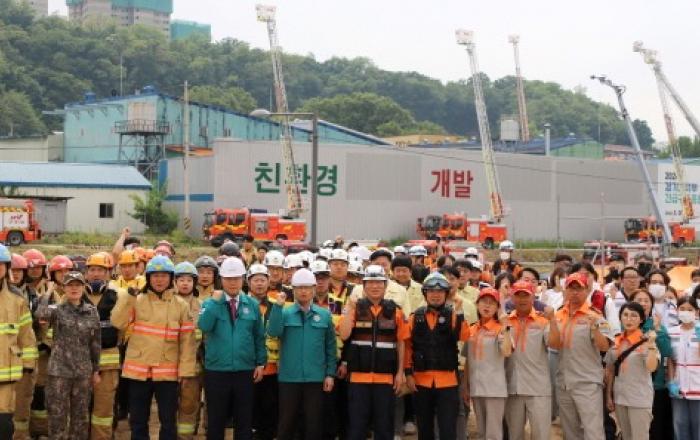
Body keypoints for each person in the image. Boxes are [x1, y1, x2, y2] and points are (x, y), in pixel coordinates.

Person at [111, 255, 197, 440]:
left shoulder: (181, 305)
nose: (159, 280)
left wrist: (185, 371)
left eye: (164, 276)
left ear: (171, 278)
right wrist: (128, 298)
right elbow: (118, 323)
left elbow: (187, 342)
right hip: (138, 371)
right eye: (155, 276)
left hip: (167, 373)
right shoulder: (136, 300)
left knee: (168, 420)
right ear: (148, 278)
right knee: (138, 420)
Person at [198, 257, 266, 440]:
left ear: (243, 279)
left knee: (244, 419)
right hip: (217, 370)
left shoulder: (252, 304)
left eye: (236, 278)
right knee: (216, 419)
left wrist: (260, 363)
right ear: (221, 279)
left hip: (245, 370)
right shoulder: (210, 303)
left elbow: (259, 336)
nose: (233, 282)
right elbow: (204, 326)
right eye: (228, 278)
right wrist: (214, 303)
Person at [339, 265, 408, 440]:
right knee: (356, 428)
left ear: (385, 285)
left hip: (385, 379)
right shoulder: (355, 308)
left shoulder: (396, 311)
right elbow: (344, 334)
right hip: (358, 379)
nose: (375, 286)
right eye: (370, 282)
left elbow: (401, 343)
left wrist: (400, 373)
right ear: (364, 286)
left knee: (384, 427)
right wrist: (349, 308)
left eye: (379, 282)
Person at [268, 269, 337, 440]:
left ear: (314, 289)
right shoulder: (284, 312)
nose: (303, 291)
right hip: (289, 378)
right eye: (299, 288)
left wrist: (330, 374)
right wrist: (277, 307)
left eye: (307, 287)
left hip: (315, 378)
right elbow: (273, 331)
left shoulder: (324, 315)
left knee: (313, 424)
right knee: (286, 423)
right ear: (293, 290)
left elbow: (330, 346)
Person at [36, 271, 101, 440]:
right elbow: (40, 314)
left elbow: (95, 343)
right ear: (64, 288)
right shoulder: (56, 310)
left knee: (80, 416)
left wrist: (96, 370)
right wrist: (49, 292)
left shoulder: (92, 312)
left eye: (78, 285)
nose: (74, 289)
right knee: (57, 415)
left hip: (82, 373)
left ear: (83, 287)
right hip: (59, 372)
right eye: (70, 285)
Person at [404, 273, 468, 440]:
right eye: (431, 291)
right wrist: (408, 374)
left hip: (448, 381)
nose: (436, 295)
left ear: (446, 294)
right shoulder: (414, 317)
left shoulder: (453, 315)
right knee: (424, 428)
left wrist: (459, 310)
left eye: (440, 291)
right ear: (425, 293)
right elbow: (408, 347)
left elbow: (464, 336)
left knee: (448, 428)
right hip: (421, 381)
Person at [551, 272, 613, 440]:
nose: (575, 292)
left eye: (579, 288)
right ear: (565, 290)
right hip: (564, 382)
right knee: (570, 432)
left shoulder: (596, 315)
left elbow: (605, 346)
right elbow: (553, 345)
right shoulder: (558, 315)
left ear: (587, 290)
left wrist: (595, 328)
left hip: (587, 383)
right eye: (571, 288)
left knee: (593, 431)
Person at [505, 281, 555, 440]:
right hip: (512, 387)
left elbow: (554, 344)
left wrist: (553, 320)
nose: (522, 299)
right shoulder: (505, 321)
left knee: (541, 435)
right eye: (518, 295)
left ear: (533, 297)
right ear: (512, 298)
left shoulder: (543, 321)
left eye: (525, 295)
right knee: (515, 436)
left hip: (538, 388)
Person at [462, 287, 512, 440]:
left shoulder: (500, 329)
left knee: (493, 434)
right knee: (481, 432)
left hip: (494, 390)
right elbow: (468, 359)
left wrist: (506, 327)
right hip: (476, 388)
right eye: (484, 301)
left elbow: (507, 352)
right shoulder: (471, 329)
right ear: (477, 304)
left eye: (492, 303)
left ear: (497, 308)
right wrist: (465, 385)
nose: (487, 305)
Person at [604, 302, 658, 440]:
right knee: (626, 436)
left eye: (634, 316)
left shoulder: (647, 341)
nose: (629, 319)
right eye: (625, 315)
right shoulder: (617, 341)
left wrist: (651, 346)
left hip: (639, 399)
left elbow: (652, 367)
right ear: (620, 317)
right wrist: (609, 396)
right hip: (620, 398)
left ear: (641, 319)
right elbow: (610, 370)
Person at [0, 244, 37, 438]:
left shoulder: (17, 299)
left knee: (4, 425)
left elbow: (26, 334)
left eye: (0, 265)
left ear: (7, 268)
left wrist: (28, 364)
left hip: (7, 376)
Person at [83, 252, 121, 440]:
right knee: (80, 408)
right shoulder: (75, 294)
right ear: (86, 273)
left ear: (108, 273)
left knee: (103, 410)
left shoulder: (118, 296)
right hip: (80, 363)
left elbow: (123, 328)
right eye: (92, 270)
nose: (96, 274)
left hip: (108, 364)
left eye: (100, 270)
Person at [629, 289, 674, 440]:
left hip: (655, 385)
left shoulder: (657, 325)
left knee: (656, 429)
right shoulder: (624, 327)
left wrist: (658, 329)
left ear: (651, 304)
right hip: (630, 387)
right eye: (639, 300)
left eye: (646, 300)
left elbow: (666, 352)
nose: (643, 303)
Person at [247, 263, 279, 440]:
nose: (259, 284)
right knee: (248, 411)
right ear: (248, 282)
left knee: (269, 411)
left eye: (263, 280)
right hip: (247, 366)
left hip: (272, 368)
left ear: (268, 282)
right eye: (256, 280)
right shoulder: (241, 305)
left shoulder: (277, 306)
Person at [173, 262, 204, 439]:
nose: (185, 283)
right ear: (175, 282)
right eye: (181, 280)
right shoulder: (168, 303)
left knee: (189, 404)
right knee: (169, 405)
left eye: (189, 280)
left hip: (194, 365)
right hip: (169, 363)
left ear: (194, 283)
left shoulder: (202, 306)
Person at [9, 253, 39, 440]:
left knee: (21, 403)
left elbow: (27, 333)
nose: (15, 274)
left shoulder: (30, 295)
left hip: (21, 359)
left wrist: (28, 363)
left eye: (19, 270)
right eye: (12, 270)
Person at [667, 296, 700, 440]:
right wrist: (671, 381)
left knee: (698, 426)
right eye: (682, 309)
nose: (686, 312)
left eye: (690, 309)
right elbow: (670, 359)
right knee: (680, 424)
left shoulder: (699, 331)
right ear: (677, 311)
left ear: (696, 312)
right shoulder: (671, 332)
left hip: (697, 385)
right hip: (679, 384)